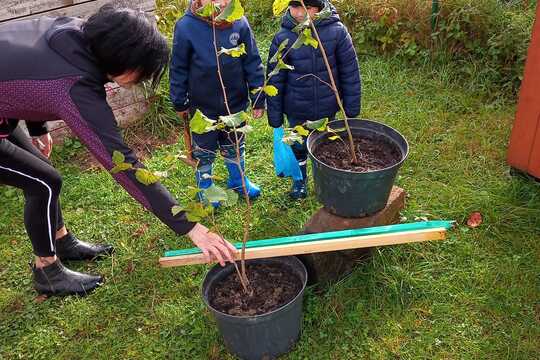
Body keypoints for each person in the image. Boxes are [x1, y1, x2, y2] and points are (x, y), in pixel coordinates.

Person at [0, 4, 236, 297]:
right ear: (124, 60)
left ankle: (61, 241)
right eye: (142, 70)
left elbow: (27, 72)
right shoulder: (77, 84)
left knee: (42, 176)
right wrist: (190, 227)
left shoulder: (76, 32)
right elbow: (122, 163)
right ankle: (46, 270)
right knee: (45, 182)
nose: (140, 80)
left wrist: (38, 128)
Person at [170, 0, 266, 206]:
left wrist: (258, 97)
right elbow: (178, 67)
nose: (219, 2)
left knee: (235, 143)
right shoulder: (186, 26)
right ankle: (206, 188)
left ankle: (238, 180)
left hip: (235, 103)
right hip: (202, 106)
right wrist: (180, 100)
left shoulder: (239, 22)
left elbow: (252, 61)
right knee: (204, 149)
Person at [267, 0, 361, 199]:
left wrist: (351, 106)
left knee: (326, 144)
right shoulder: (284, 37)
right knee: (298, 145)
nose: (300, 13)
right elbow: (275, 78)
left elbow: (349, 71)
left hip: (328, 105)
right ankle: (299, 180)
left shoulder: (337, 32)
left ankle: (326, 181)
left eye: (307, 8)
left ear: (318, 8)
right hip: (296, 107)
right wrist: (275, 115)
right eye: (295, 7)